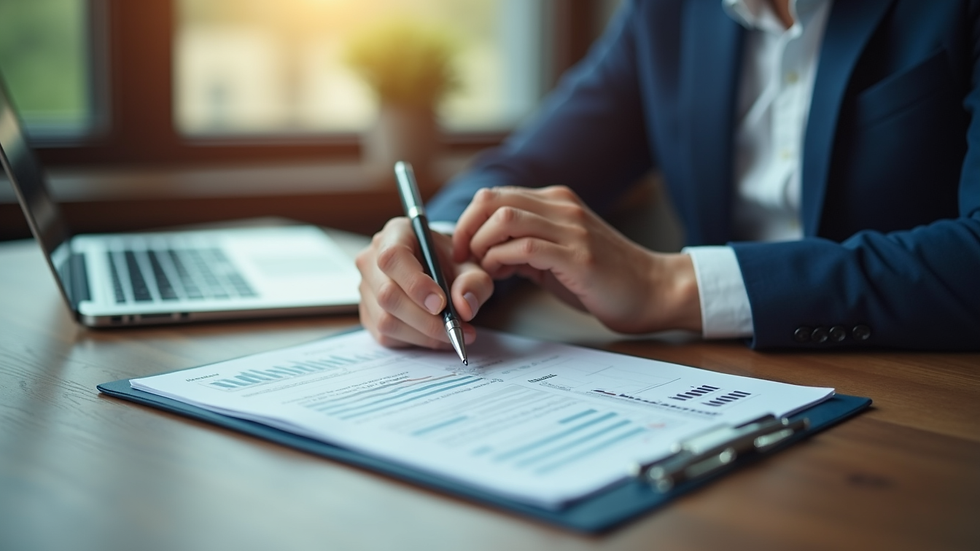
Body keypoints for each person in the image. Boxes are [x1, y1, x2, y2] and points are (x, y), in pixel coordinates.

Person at [355, 0, 980, 352]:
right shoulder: (670, 13)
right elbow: (526, 167)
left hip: (927, 394)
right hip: (720, 387)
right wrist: (441, 242)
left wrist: (669, 285)